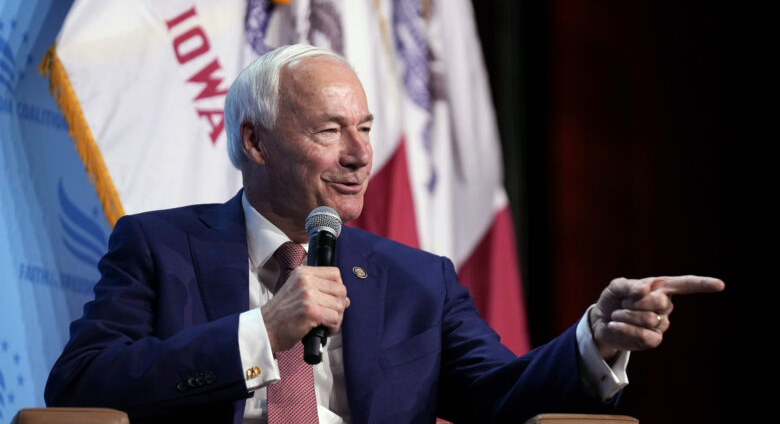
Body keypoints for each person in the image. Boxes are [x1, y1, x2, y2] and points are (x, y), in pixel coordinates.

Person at [45, 44, 724, 424]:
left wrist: (595, 339)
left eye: (365, 129)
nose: (360, 155)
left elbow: (501, 397)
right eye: (330, 130)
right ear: (255, 141)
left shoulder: (418, 280)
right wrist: (262, 332)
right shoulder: (158, 248)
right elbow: (79, 387)